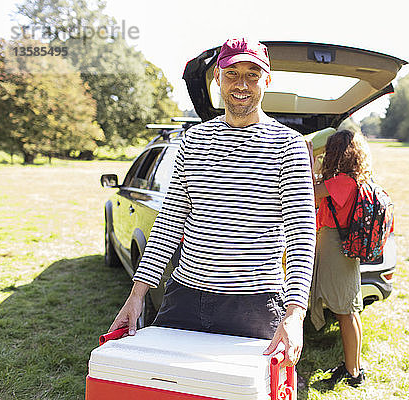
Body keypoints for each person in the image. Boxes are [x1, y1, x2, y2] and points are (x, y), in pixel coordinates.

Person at [108, 38, 316, 367]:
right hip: (185, 296)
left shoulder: (288, 145)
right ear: (217, 78)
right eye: (232, 73)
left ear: (267, 80)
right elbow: (170, 221)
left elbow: (302, 233)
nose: (242, 84)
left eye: (253, 74)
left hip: (256, 305)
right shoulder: (193, 140)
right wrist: (136, 296)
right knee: (174, 384)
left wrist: (294, 314)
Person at [307, 129, 372, 387]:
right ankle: (353, 366)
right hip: (341, 247)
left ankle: (353, 372)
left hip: (337, 247)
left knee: (345, 311)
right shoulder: (349, 179)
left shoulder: (342, 182)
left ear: (336, 154)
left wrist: (310, 160)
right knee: (349, 310)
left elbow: (308, 192)